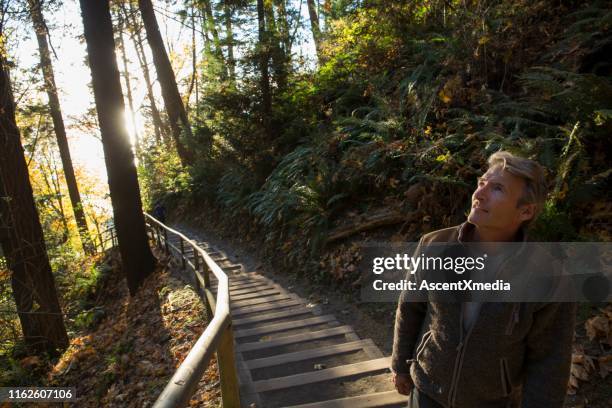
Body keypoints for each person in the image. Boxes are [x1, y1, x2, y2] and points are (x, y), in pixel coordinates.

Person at [391, 151, 577, 407]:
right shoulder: (435, 245)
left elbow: (550, 360)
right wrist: (400, 365)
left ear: (525, 211)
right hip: (428, 392)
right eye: (481, 183)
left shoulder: (549, 276)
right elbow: (411, 306)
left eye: (497, 188)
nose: (479, 194)